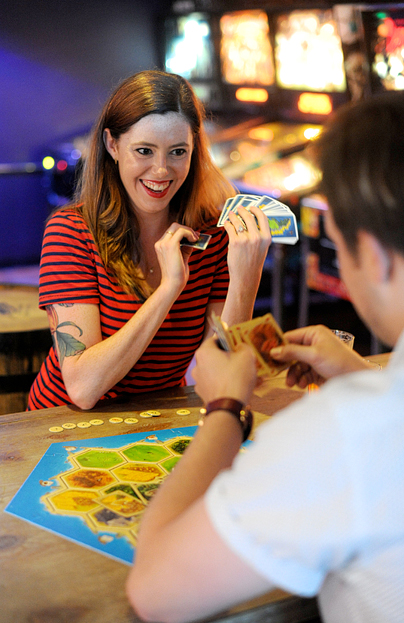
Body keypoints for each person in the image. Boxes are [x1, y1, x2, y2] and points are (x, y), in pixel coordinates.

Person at [127, 92, 404, 623]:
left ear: (373, 257)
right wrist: (356, 374)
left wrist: (225, 407)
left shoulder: (346, 433)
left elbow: (155, 588)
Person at [28, 70, 272, 410]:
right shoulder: (71, 231)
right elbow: (83, 388)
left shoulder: (212, 233)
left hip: (155, 423)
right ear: (112, 144)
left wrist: (247, 276)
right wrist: (169, 288)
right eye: (144, 150)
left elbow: (225, 372)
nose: (161, 171)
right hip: (60, 425)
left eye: (177, 152)